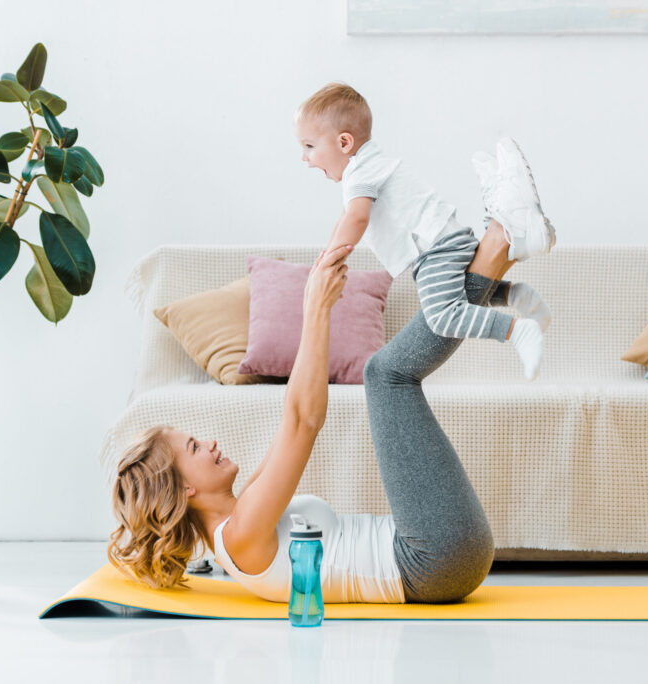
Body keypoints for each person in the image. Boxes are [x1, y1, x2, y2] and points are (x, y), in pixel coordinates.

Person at [109, 207, 544, 602]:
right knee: (386, 376)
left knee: (387, 374)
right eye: (193, 448)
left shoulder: (243, 518)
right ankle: (500, 240)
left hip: (440, 553)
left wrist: (316, 300)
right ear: (184, 489)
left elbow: (289, 418)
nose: (209, 443)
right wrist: (316, 307)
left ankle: (501, 246)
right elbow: (304, 422)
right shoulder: (241, 535)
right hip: (433, 559)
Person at [295, 82, 554, 380]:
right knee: (462, 292)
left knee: (443, 315)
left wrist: (330, 261)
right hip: (447, 238)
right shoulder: (369, 165)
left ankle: (517, 332)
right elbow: (346, 217)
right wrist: (327, 254)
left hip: (435, 248)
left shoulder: (359, 173)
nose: (305, 158)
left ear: (343, 143)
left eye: (309, 146)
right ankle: (516, 295)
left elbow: (355, 219)